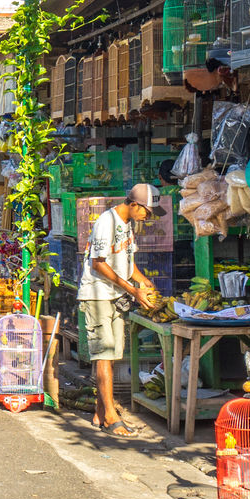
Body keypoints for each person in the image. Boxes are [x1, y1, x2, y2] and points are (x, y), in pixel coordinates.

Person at [78, 182, 161, 436]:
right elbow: (98, 263)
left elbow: (127, 261)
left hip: (116, 295)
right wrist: (132, 290)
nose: (148, 217)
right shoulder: (107, 222)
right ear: (134, 204)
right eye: (146, 211)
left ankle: (100, 412)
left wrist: (142, 281)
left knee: (113, 355)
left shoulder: (128, 225)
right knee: (104, 355)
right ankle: (111, 416)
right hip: (98, 295)